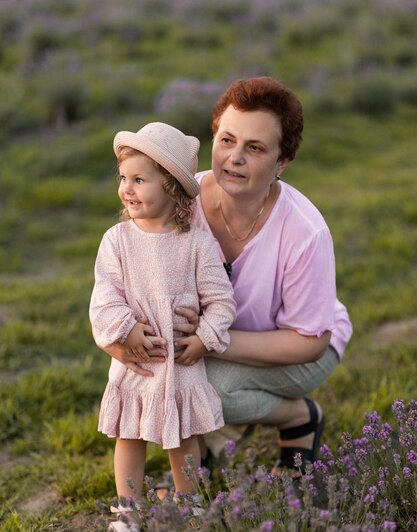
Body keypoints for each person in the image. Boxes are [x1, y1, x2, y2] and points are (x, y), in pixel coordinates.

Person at [102, 76, 353, 475]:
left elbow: (309, 341)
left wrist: (210, 341)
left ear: (281, 162)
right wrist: (118, 342)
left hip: (300, 349)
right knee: (172, 370)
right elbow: (122, 280)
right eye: (227, 140)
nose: (235, 157)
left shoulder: (305, 232)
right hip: (206, 338)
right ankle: (208, 446)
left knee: (206, 386)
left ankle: (297, 416)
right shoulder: (180, 203)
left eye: (254, 148)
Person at [89, 122, 236, 532]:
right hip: (137, 361)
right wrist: (125, 330)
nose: (127, 189)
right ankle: (128, 512)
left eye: (139, 179)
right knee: (129, 438)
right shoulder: (117, 240)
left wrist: (204, 338)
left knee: (182, 439)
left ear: (171, 187)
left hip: (179, 362)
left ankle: (188, 505)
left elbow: (221, 301)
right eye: (123, 179)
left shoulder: (196, 245)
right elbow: (105, 296)